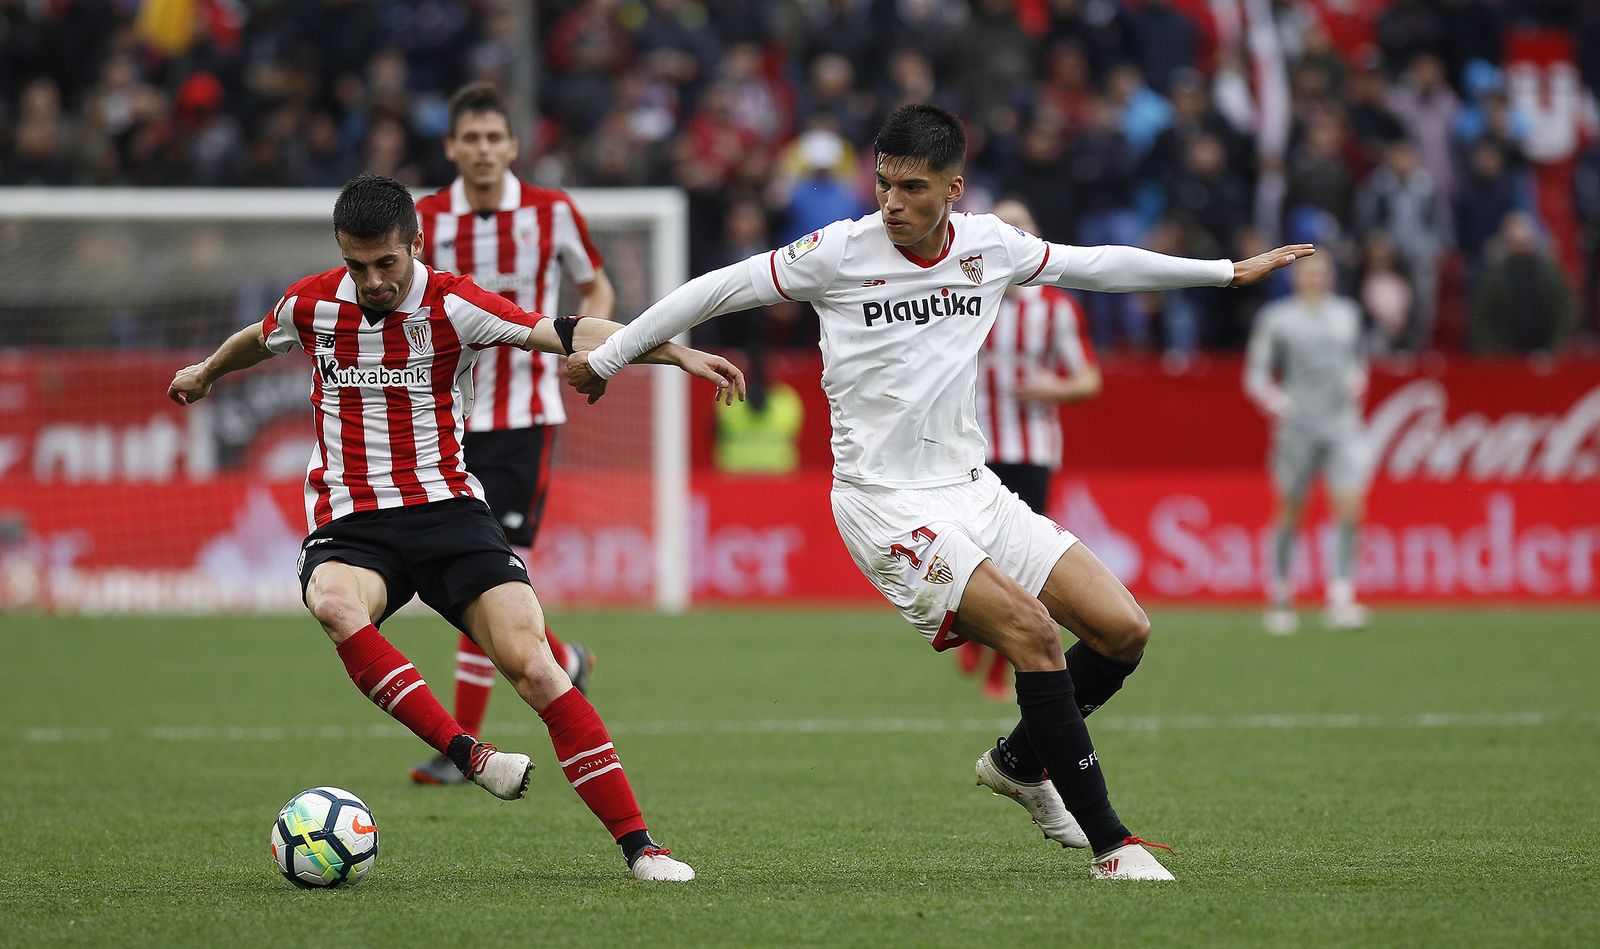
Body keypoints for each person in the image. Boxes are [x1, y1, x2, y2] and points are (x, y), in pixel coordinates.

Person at [568, 104, 1313, 881]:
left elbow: (1093, 264)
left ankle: (1020, 762)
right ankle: (1112, 846)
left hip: (972, 488)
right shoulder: (837, 252)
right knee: (1033, 634)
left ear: (953, 189)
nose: (891, 202)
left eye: (912, 187)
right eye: (884, 183)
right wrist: (613, 354)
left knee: (1124, 629)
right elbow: (718, 288)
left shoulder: (990, 247)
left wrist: (1227, 272)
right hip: (883, 502)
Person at [166, 173, 743, 882]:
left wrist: (674, 350)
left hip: (448, 512)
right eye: (358, 265)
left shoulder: (453, 302)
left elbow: (569, 330)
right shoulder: (312, 303)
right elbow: (260, 337)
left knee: (537, 665)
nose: (374, 280)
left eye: (387, 263)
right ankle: (470, 754)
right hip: (352, 521)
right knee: (335, 605)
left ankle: (641, 847)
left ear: (414, 243)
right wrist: (208, 370)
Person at [407, 82, 610, 788]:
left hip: (525, 420)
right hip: (448, 420)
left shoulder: (552, 212)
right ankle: (565, 659)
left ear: (513, 146)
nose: (485, 150)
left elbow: (597, 290)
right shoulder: (425, 217)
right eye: (473, 139)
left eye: (497, 138)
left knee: (489, 573)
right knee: (474, 578)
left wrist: (597, 350)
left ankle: (462, 746)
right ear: (452, 147)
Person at [960, 196, 1102, 702]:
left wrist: (1052, 389)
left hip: (1032, 447)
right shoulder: (966, 295)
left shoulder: (1055, 308)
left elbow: (1089, 379)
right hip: (970, 448)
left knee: (1018, 559)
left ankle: (1002, 668)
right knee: (968, 550)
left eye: (1020, 224)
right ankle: (974, 633)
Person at [1243, 253, 1370, 635]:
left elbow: (1357, 359)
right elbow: (1256, 373)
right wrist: (1274, 400)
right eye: (1310, 273)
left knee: (1349, 507)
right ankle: (1281, 593)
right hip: (1297, 427)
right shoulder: (1277, 318)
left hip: (1341, 423)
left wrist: (1356, 378)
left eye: (1322, 272)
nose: (1316, 278)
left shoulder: (1347, 314)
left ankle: (1341, 593)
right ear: (1297, 278)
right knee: (1290, 510)